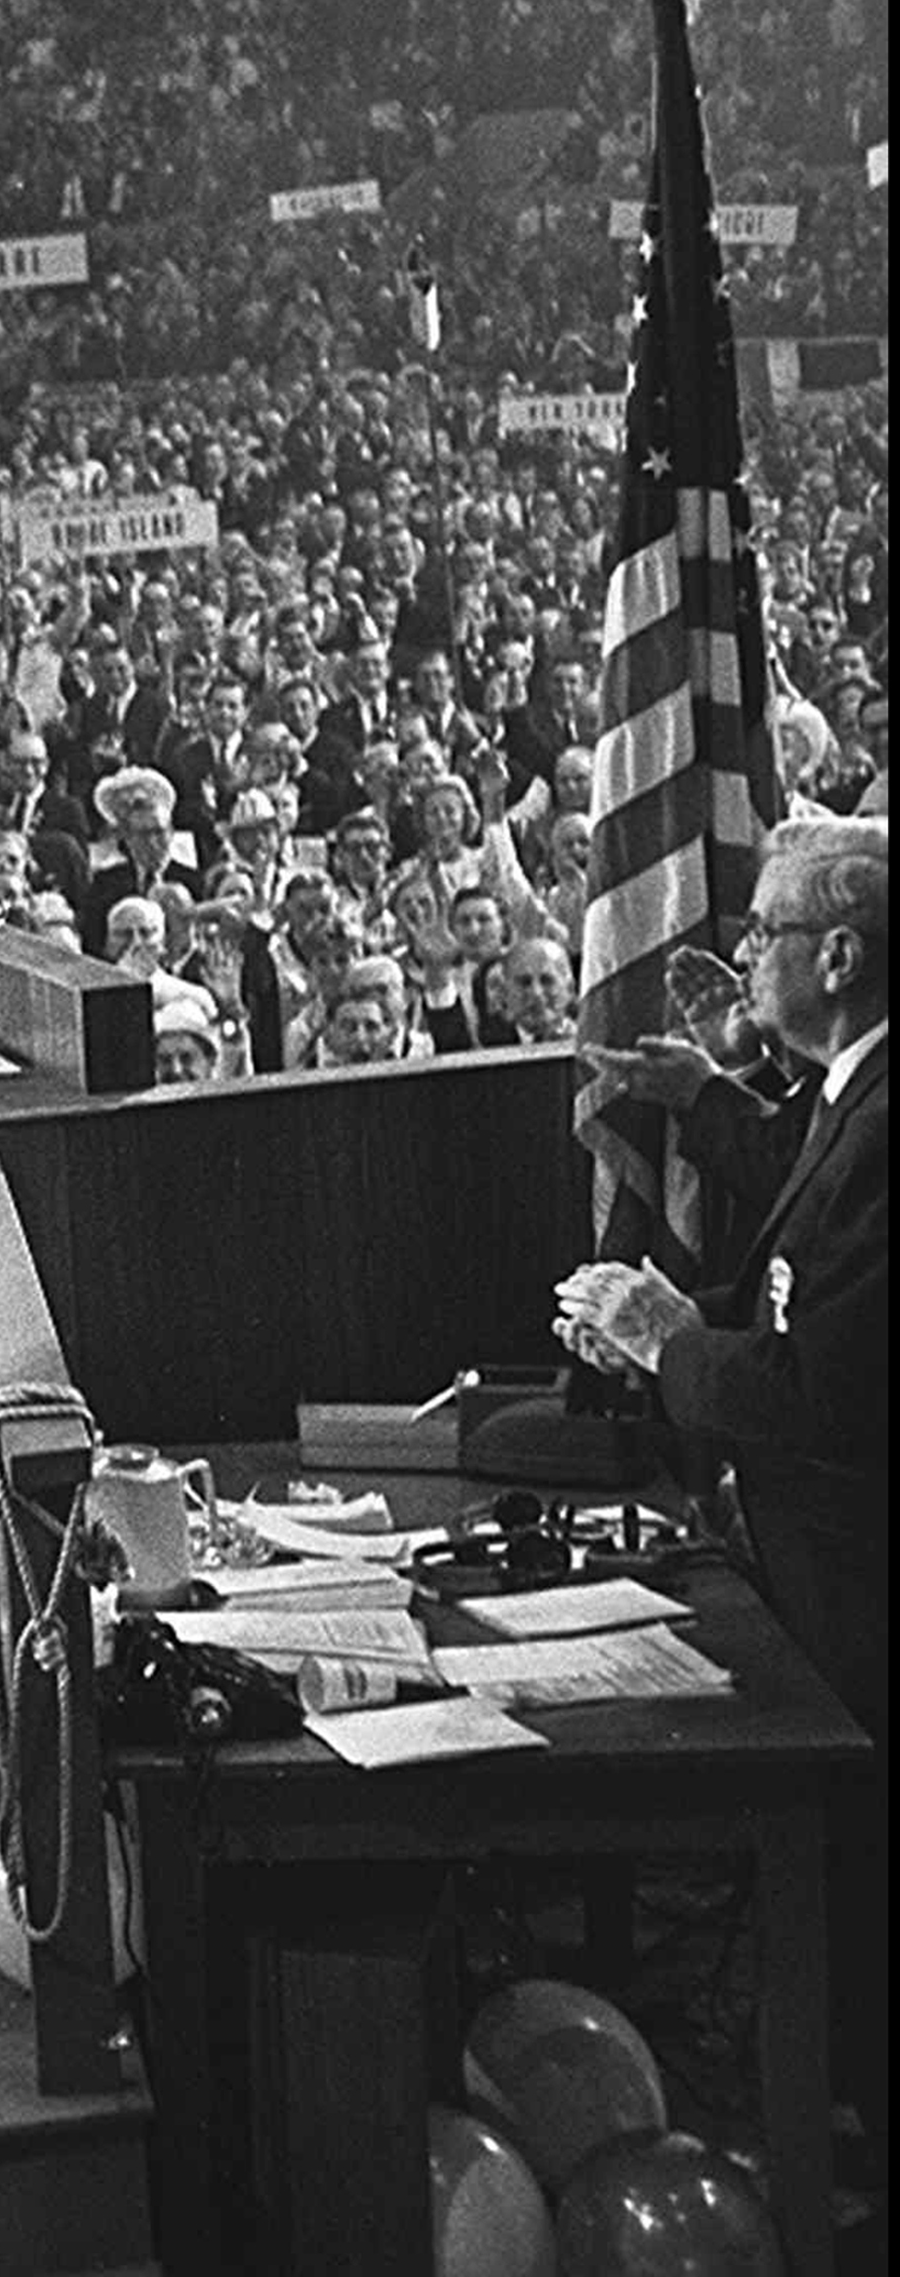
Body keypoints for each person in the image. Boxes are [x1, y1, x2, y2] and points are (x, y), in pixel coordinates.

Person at [555, 814, 889, 2163]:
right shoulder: (854, 1091)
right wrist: (700, 1090)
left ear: (845, 951)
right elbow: (796, 1188)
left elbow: (831, 1390)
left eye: (770, 931)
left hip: (858, 1579)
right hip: (820, 1560)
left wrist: (667, 1338)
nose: (749, 952)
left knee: (863, 1890)